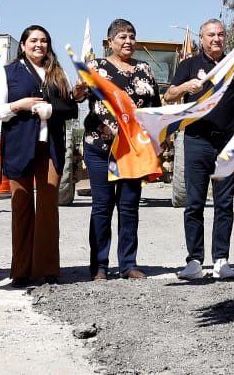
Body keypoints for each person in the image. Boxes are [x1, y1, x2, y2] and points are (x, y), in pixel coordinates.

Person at [0, 25, 88, 287]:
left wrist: (56, 105)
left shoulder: (57, 73)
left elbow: (71, 108)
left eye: (44, 41)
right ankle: (21, 270)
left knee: (48, 206)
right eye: (34, 40)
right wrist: (18, 106)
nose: (39, 45)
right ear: (23, 44)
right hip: (19, 145)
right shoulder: (8, 73)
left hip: (50, 147)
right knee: (21, 206)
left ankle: (48, 267)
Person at [167, 18, 234, 280]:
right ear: (201, 39)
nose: (216, 39)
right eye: (211, 35)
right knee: (194, 203)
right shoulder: (189, 65)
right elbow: (169, 95)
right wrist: (186, 86)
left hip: (227, 143)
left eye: (221, 34)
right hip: (197, 140)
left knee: (224, 204)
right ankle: (194, 261)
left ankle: (221, 260)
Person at [82, 17, 160, 280]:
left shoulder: (145, 69)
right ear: (109, 42)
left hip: (132, 150)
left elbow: (155, 108)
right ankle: (100, 267)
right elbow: (78, 94)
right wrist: (79, 87)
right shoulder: (95, 67)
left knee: (129, 207)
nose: (128, 41)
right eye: (122, 37)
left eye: (131, 36)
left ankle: (128, 264)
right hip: (99, 147)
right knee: (102, 207)